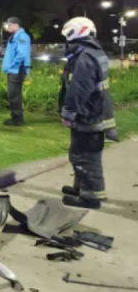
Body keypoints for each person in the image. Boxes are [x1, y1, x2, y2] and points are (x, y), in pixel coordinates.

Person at [57, 17, 118, 209]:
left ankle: (90, 197)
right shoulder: (92, 53)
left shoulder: (85, 57)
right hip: (93, 113)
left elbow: (79, 88)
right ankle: (81, 188)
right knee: (80, 153)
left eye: (68, 35)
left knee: (85, 157)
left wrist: (68, 113)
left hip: (89, 115)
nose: (67, 40)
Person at [1, 17, 32, 126]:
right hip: (14, 69)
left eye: (9, 25)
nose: (7, 27)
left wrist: (13, 66)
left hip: (17, 69)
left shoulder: (22, 37)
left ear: (16, 25)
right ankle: (16, 117)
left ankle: (17, 119)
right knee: (13, 94)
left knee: (13, 94)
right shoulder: (15, 36)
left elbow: (22, 54)